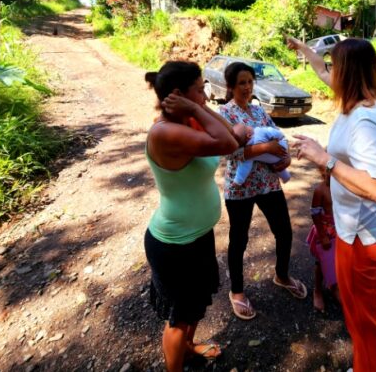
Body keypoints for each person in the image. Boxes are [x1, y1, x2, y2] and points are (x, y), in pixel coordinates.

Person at [289, 37, 376, 372]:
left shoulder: (364, 121)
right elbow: (324, 74)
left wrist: (325, 159)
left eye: (333, 65)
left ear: (347, 73)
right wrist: (308, 54)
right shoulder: (368, 102)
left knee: (361, 322)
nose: (329, 72)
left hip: (361, 236)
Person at [144, 61, 239, 372]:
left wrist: (198, 106)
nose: (206, 95)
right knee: (179, 317)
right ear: (177, 95)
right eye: (200, 90)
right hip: (174, 244)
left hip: (197, 236)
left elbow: (227, 131)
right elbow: (229, 143)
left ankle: (188, 348)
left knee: (195, 306)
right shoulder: (166, 133)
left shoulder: (188, 120)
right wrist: (197, 109)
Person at [219, 61, 307, 321]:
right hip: (240, 188)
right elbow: (229, 151)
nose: (247, 87)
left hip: (268, 183)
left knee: (284, 231)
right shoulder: (224, 113)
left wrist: (286, 159)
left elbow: (278, 138)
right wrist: (266, 149)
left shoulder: (259, 112)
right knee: (239, 240)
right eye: (241, 83)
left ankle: (281, 275)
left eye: (249, 82)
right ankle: (236, 291)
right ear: (230, 86)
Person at [306, 169, 338, 312]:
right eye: (328, 172)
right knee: (321, 262)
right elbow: (315, 214)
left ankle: (334, 285)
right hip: (325, 233)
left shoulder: (344, 187)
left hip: (342, 232)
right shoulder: (321, 190)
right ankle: (317, 290)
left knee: (338, 261)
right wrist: (323, 236)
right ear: (322, 172)